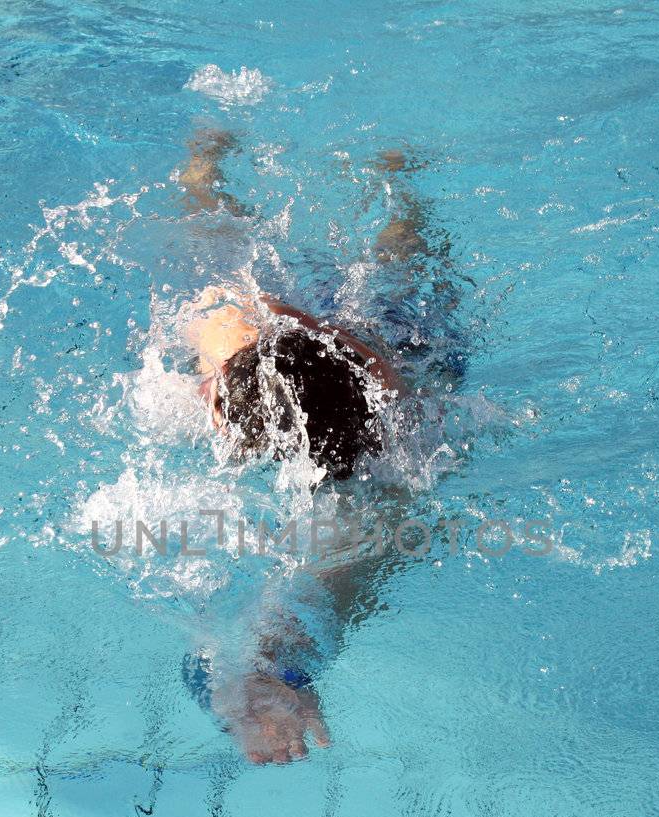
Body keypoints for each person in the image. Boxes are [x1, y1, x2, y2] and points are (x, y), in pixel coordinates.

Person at [174, 129, 457, 763]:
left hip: (381, 348)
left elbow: (328, 586)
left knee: (392, 273)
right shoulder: (235, 336)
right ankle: (398, 182)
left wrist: (274, 675)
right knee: (400, 271)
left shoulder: (388, 419)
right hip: (377, 348)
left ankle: (206, 172)